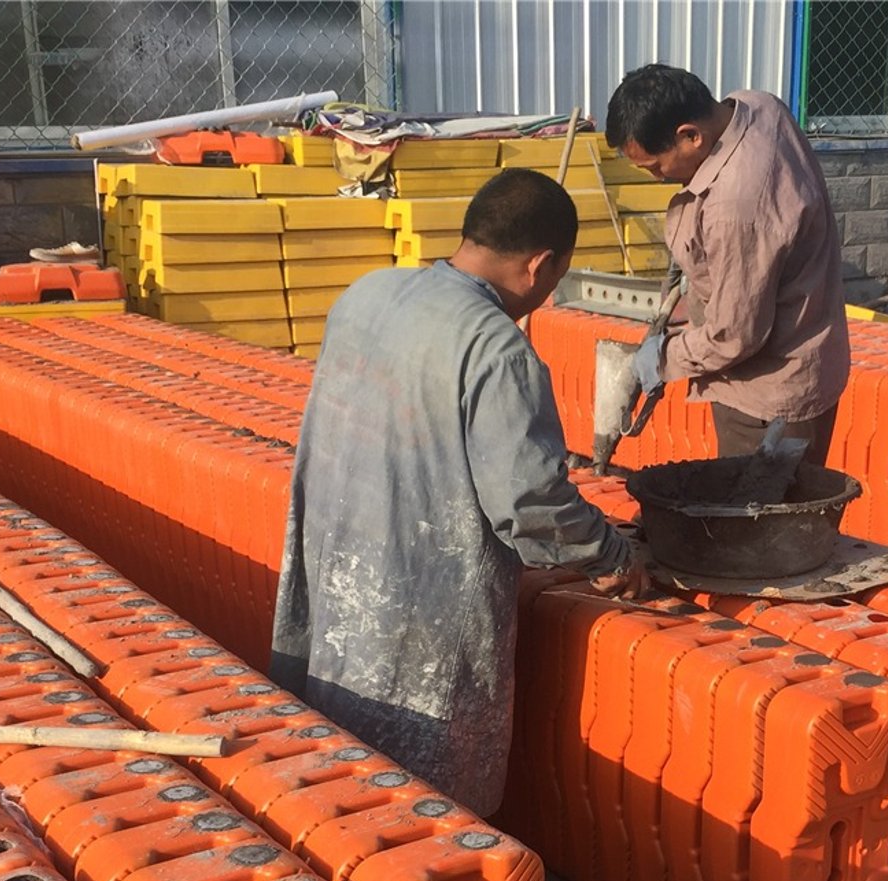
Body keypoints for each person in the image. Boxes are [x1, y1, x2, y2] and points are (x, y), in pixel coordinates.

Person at [272, 169, 645, 817]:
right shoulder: (496, 347)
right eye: (555, 281)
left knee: (340, 789)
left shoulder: (367, 293)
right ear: (541, 265)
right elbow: (530, 507)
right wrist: (613, 555)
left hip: (339, 583)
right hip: (419, 619)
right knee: (423, 814)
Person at [605, 63, 851, 464]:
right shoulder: (756, 105)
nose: (656, 178)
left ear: (691, 136)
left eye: (655, 166)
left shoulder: (737, 207)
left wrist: (664, 357)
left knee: (755, 517)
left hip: (768, 399)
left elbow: (734, 335)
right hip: (810, 350)